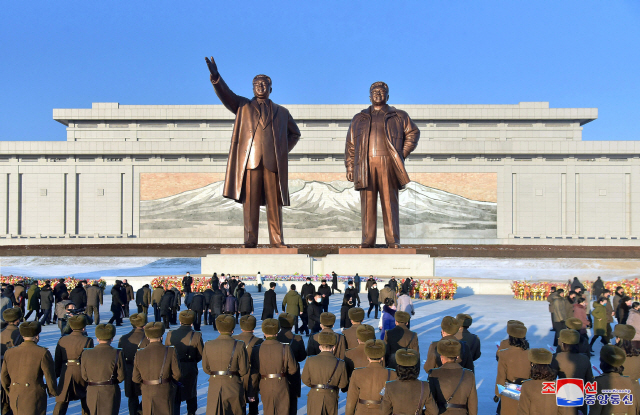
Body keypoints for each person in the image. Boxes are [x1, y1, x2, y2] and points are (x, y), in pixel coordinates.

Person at [205, 57, 301, 248]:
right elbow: (226, 94)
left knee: (275, 204)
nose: (260, 87)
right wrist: (216, 77)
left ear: (270, 88)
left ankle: (277, 241)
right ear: (252, 88)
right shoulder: (243, 106)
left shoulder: (282, 112)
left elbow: (295, 133)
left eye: (264, 84)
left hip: (273, 163)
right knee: (250, 204)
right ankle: (250, 240)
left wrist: (281, 152)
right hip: (250, 162)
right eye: (256, 84)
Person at [345, 82, 420, 249]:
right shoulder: (359, 118)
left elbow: (413, 133)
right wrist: (350, 167)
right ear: (369, 96)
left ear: (388, 96)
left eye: (381, 91)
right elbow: (350, 144)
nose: (378, 94)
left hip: (388, 163)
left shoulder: (398, 115)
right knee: (368, 204)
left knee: (389, 202)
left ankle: (393, 240)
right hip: (365, 164)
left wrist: (401, 153)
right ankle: (367, 240)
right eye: (374, 92)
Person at [0, 321, 57, 415]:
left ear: (22, 335)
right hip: (34, 395)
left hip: (16, 393)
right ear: (37, 336)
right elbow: (49, 375)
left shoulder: (9, 352)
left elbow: (4, 376)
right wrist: (52, 391)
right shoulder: (42, 352)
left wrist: (9, 390)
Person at [248, 319, 297, 414]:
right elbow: (293, 369)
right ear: (277, 331)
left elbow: (254, 374)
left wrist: (252, 392)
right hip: (281, 383)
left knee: (268, 410)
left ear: (264, 332)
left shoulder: (256, 349)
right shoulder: (285, 348)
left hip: (265, 384)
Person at [202, 315, 249, 415]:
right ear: (232, 329)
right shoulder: (240, 345)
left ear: (218, 329)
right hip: (233, 384)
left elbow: (206, 368)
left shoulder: (208, 344)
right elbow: (244, 370)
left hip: (215, 384)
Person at [132, 322, 181, 415]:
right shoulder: (170, 351)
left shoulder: (139, 354)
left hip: (147, 391)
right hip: (165, 389)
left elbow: (135, 378)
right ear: (162, 336)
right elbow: (177, 374)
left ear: (147, 337)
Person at [80, 324, 125, 415]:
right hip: (110, 389)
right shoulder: (117, 353)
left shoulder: (86, 353)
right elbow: (121, 376)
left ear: (97, 338)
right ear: (112, 338)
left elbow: (84, 376)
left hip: (92, 390)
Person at [53, 315, 94, 415]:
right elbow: (89, 360)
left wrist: (57, 374)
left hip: (65, 371)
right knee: (85, 399)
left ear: (71, 327)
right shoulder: (88, 340)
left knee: (62, 400)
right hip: (80, 371)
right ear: (83, 327)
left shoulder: (62, 340)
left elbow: (57, 360)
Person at [166, 311, 203, 415]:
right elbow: (200, 354)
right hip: (190, 367)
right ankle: (191, 413)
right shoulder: (196, 335)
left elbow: (167, 351)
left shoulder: (170, 334)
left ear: (180, 321)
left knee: (175, 394)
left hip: (173, 367)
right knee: (191, 393)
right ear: (192, 322)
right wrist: (192, 361)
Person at [301, 332, 349, 415]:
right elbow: (343, 384)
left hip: (315, 395)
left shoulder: (310, 360)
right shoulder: (341, 363)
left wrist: (315, 385)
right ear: (333, 347)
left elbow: (305, 379)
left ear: (320, 347)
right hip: (331, 396)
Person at [345, 339, 396, 415]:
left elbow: (351, 400)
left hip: (361, 411)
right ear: (382, 357)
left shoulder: (357, 373)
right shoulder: (392, 373)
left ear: (367, 357)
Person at [426, 339, 478, 415]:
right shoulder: (469, 374)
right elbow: (473, 403)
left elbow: (431, 401)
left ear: (441, 357)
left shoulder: (433, 373)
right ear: (457, 357)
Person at [381, 349, 438, 415]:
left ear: (398, 368)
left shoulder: (390, 386)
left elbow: (384, 412)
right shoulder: (425, 386)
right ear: (416, 369)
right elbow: (434, 412)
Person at [550, 328, 594, 411]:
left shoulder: (557, 357)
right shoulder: (585, 358)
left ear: (563, 344)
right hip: (580, 397)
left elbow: (551, 379)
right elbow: (590, 381)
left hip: (563, 397)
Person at [589, 345, 640, 414]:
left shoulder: (598, 382)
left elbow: (595, 411)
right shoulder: (628, 382)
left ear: (602, 362)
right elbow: (631, 410)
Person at [494, 323, 530, 415]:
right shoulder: (531, 354)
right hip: (526, 390)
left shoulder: (504, 354)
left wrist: (497, 394)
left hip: (509, 390)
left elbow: (501, 376)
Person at [117, 313, 149, 415]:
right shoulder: (148, 338)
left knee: (132, 397)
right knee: (147, 395)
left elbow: (120, 356)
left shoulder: (124, 338)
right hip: (145, 370)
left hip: (129, 369)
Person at [276, 313, 308, 415]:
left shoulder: (275, 338)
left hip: (277, 374)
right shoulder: (297, 338)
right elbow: (302, 357)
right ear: (292, 324)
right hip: (293, 375)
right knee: (292, 402)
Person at [233, 315, 263, 415]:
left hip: (237, 374)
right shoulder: (259, 341)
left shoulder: (234, 339)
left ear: (241, 327)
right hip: (252, 374)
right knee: (253, 403)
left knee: (238, 404)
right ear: (253, 327)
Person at [517, 348, 561, 415]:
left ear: (532, 365)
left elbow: (523, 411)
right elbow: (564, 411)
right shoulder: (560, 386)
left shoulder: (527, 385)